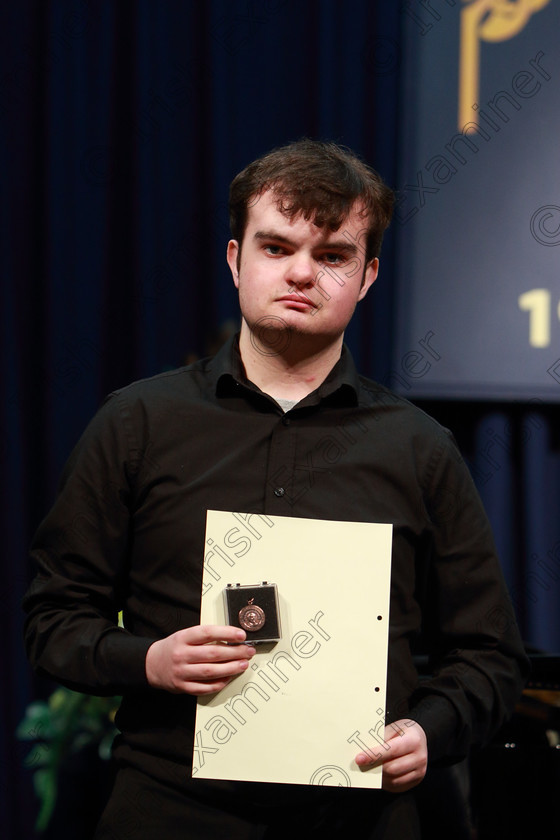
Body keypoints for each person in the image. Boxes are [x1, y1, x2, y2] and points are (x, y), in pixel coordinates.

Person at [23, 139, 528, 839]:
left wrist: (429, 732)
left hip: (363, 816)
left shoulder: (421, 451)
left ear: (368, 276)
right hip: (171, 810)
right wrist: (150, 659)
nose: (301, 273)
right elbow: (53, 621)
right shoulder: (136, 425)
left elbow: (490, 656)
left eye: (332, 256)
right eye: (276, 247)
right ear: (235, 260)